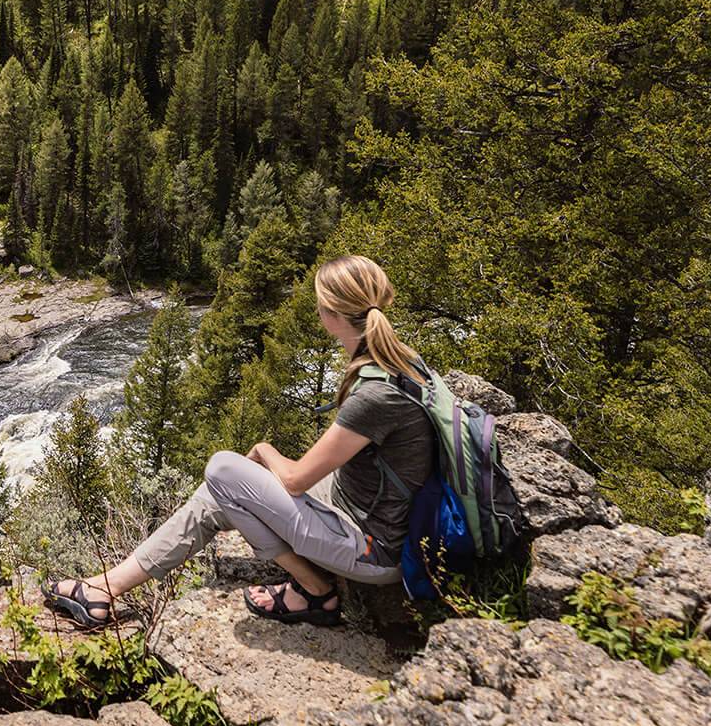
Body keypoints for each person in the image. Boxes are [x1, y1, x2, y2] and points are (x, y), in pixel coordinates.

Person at [43, 254, 435, 627]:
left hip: (374, 550)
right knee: (220, 493)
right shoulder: (401, 361)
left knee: (223, 468)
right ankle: (105, 587)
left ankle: (316, 592)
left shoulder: (374, 394)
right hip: (374, 513)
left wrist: (264, 451)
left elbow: (297, 479)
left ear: (331, 315)